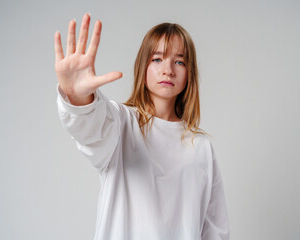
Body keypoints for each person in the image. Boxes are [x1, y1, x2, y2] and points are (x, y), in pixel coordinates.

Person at [54, 12, 229, 240]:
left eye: (179, 61)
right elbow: (90, 126)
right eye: (157, 59)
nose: (168, 69)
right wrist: (77, 97)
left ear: (189, 73)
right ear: (142, 66)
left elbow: (215, 229)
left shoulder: (201, 147)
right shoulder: (122, 123)